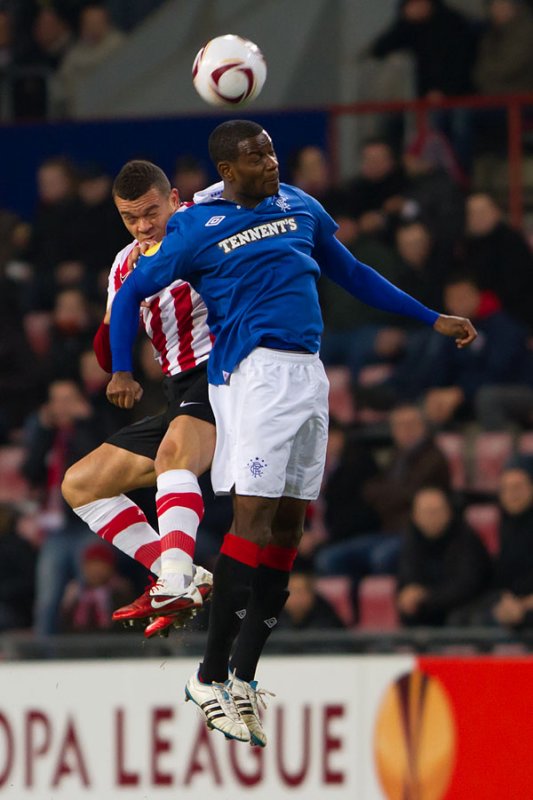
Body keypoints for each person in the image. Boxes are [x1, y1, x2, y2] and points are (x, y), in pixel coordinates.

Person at [107, 119, 477, 745]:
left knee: (288, 530)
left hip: (309, 375)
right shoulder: (196, 227)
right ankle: (207, 675)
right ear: (228, 170)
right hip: (252, 378)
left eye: (271, 151)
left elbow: (352, 272)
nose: (271, 162)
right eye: (256, 156)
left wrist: (428, 316)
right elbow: (128, 295)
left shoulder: (300, 204)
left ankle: (243, 679)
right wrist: (121, 367)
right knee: (251, 521)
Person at [61, 160, 217, 639]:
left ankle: (172, 579)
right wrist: (117, 348)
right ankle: (181, 575)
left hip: (224, 374)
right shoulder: (126, 262)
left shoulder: (205, 225)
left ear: (173, 199)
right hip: (179, 390)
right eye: (131, 218)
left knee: (174, 457)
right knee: (80, 485)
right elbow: (108, 346)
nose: (144, 225)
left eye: (152, 212)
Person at [397, 487, 491, 626]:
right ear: (415, 516)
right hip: (428, 610)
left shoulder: (467, 540)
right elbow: (408, 578)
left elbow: (467, 586)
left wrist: (426, 596)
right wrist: (410, 595)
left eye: (436, 511)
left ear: (449, 512)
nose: (431, 517)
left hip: (464, 608)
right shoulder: (411, 541)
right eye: (426, 512)